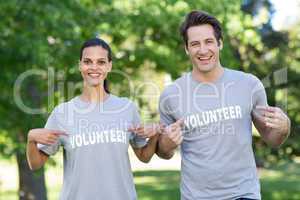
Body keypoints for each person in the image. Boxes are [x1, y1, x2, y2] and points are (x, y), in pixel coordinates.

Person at [156, 10, 291, 200]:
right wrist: (166, 144)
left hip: (244, 194)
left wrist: (284, 127)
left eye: (209, 42)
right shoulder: (171, 95)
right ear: (187, 48)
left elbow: (273, 139)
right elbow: (163, 152)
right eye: (195, 44)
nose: (203, 50)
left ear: (220, 43)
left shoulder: (249, 84)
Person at [26, 38, 160, 200]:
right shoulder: (63, 113)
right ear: (80, 65)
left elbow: (144, 156)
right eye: (88, 61)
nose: (94, 67)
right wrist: (31, 139)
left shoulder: (126, 108)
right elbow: (35, 164)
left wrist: (154, 135)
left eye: (101, 62)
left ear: (109, 66)